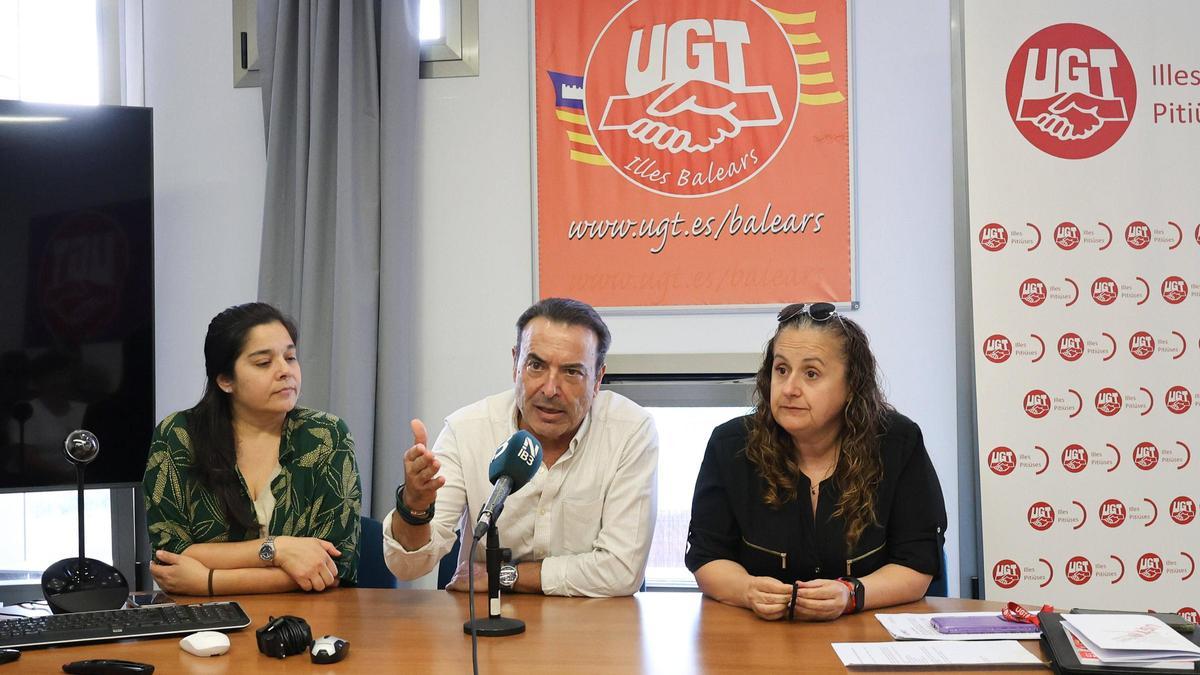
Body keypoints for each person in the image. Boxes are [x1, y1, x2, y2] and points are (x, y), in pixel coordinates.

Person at [686, 302, 946, 621]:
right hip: (763, 638)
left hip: (866, 634)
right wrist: (746, 590)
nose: (790, 389)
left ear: (851, 385)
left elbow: (917, 563)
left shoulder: (897, 443)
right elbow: (707, 556)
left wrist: (851, 594)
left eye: (811, 374)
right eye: (781, 370)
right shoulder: (731, 446)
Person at [383, 297, 658, 597]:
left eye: (572, 372)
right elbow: (407, 567)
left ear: (597, 379)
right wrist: (414, 507)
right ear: (516, 364)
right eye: (536, 365)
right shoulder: (467, 430)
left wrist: (504, 575)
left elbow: (621, 570)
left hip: (589, 627)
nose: (551, 389)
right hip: (486, 626)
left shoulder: (630, 432)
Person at [143, 302, 362, 595]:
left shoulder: (326, 436)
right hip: (205, 622)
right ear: (225, 380)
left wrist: (209, 581)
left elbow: (334, 567)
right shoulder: (179, 436)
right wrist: (277, 549)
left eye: (291, 357)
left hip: (303, 619)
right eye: (263, 363)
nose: (285, 371)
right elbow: (171, 558)